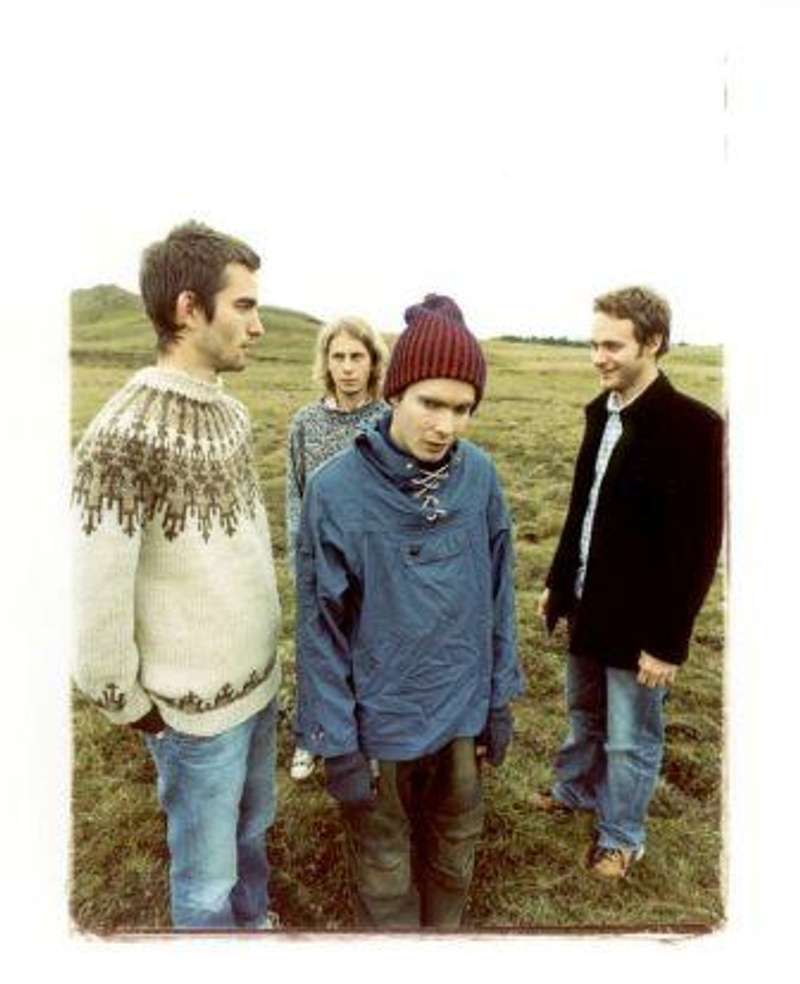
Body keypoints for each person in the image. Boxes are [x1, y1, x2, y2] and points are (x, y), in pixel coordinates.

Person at [71, 221, 283, 929]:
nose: (257, 325)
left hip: (258, 689)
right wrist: (127, 702)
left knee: (252, 836)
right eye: (244, 306)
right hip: (191, 717)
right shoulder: (119, 437)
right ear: (189, 309)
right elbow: (96, 598)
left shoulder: (231, 414)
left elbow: (245, 551)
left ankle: (254, 931)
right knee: (205, 883)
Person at [295, 294, 524, 929]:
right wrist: (336, 742)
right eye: (431, 403)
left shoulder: (480, 478)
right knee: (384, 865)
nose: (445, 425)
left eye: (462, 409)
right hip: (381, 721)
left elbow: (500, 595)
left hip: (460, 711)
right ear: (395, 392)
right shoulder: (335, 491)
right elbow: (319, 629)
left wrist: (498, 700)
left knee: (454, 849)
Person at [536, 285, 724, 880]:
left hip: (643, 623)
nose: (599, 357)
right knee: (583, 713)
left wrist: (669, 643)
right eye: (594, 344)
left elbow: (699, 547)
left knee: (630, 736)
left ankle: (621, 836)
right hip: (588, 604)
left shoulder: (695, 427)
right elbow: (583, 507)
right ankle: (575, 792)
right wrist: (558, 582)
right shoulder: (603, 411)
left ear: (653, 342)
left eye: (613, 346)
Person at [285, 316, 388, 781]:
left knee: (366, 651)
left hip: (371, 560)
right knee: (317, 649)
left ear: (373, 362)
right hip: (318, 558)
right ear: (326, 362)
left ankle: (367, 740)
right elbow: (295, 492)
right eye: (338, 357)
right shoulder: (305, 423)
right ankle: (312, 737)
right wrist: (301, 558)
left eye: (356, 357)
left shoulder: (387, 420)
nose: (347, 367)